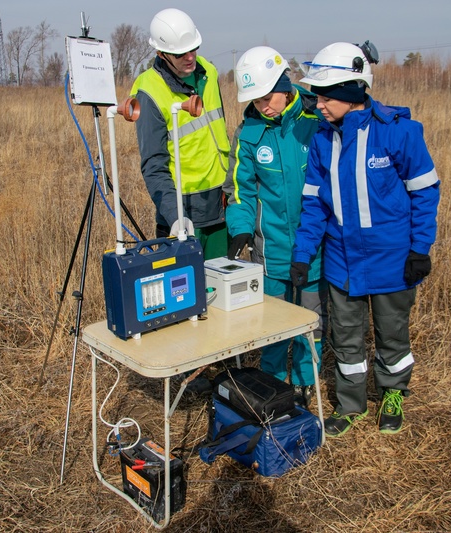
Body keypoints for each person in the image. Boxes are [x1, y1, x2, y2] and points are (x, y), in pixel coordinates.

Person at [290, 42, 440, 437]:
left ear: (351, 91)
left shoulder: (400, 134)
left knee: (392, 334)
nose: (318, 104)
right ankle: (350, 404)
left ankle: (393, 393)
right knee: (346, 338)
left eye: (325, 96)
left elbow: (425, 192)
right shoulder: (323, 140)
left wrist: (420, 249)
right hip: (342, 262)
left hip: (393, 262)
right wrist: (304, 254)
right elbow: (314, 205)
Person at [223, 46, 327, 409]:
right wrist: (239, 229)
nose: (264, 106)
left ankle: (304, 381)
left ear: (285, 84)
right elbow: (240, 190)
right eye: (256, 100)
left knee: (310, 320)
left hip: (314, 248)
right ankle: (272, 382)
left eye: (268, 97)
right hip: (272, 252)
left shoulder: (316, 120)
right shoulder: (249, 135)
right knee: (272, 324)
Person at [129, 7, 230, 260]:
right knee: (186, 296)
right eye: (180, 53)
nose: (190, 57)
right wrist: (175, 216)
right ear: (161, 53)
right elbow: (154, 164)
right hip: (183, 212)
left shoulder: (209, 71)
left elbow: (220, 133)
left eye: (193, 48)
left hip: (221, 202)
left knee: (222, 290)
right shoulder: (149, 92)